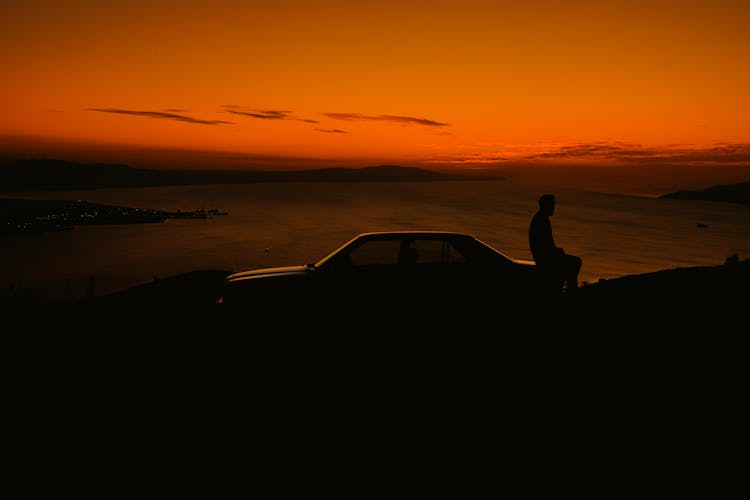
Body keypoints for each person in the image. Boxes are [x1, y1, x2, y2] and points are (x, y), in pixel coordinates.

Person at [528, 194, 582, 292]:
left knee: (571, 262)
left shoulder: (541, 219)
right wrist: (557, 252)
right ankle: (571, 291)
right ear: (545, 206)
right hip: (545, 259)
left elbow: (547, 244)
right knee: (576, 262)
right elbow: (545, 246)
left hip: (544, 257)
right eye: (551, 205)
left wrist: (557, 251)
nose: (553, 207)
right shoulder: (542, 221)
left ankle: (567, 287)